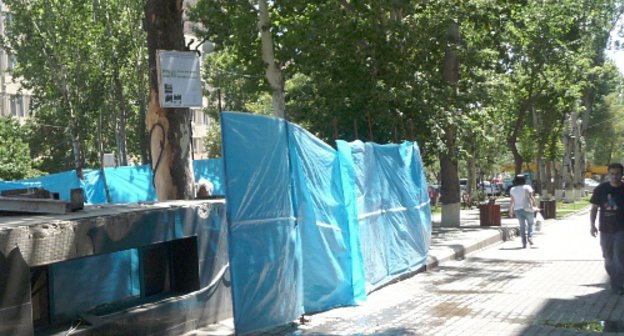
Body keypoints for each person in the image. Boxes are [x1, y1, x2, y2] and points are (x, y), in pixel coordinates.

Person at [590, 162, 624, 294]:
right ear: (608, 174)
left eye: (618, 174)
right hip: (605, 229)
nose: (615, 177)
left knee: (619, 257)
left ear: (622, 174)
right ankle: (615, 281)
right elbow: (594, 208)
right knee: (608, 258)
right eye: (612, 174)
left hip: (621, 229)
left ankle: (619, 285)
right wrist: (592, 225)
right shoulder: (601, 189)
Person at [508, 174, 537, 248]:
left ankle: (524, 242)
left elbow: (512, 201)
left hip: (517, 209)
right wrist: (535, 206)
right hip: (528, 208)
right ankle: (530, 237)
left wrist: (510, 210)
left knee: (522, 226)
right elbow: (531, 197)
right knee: (531, 224)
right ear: (524, 180)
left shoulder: (512, 189)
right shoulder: (527, 187)